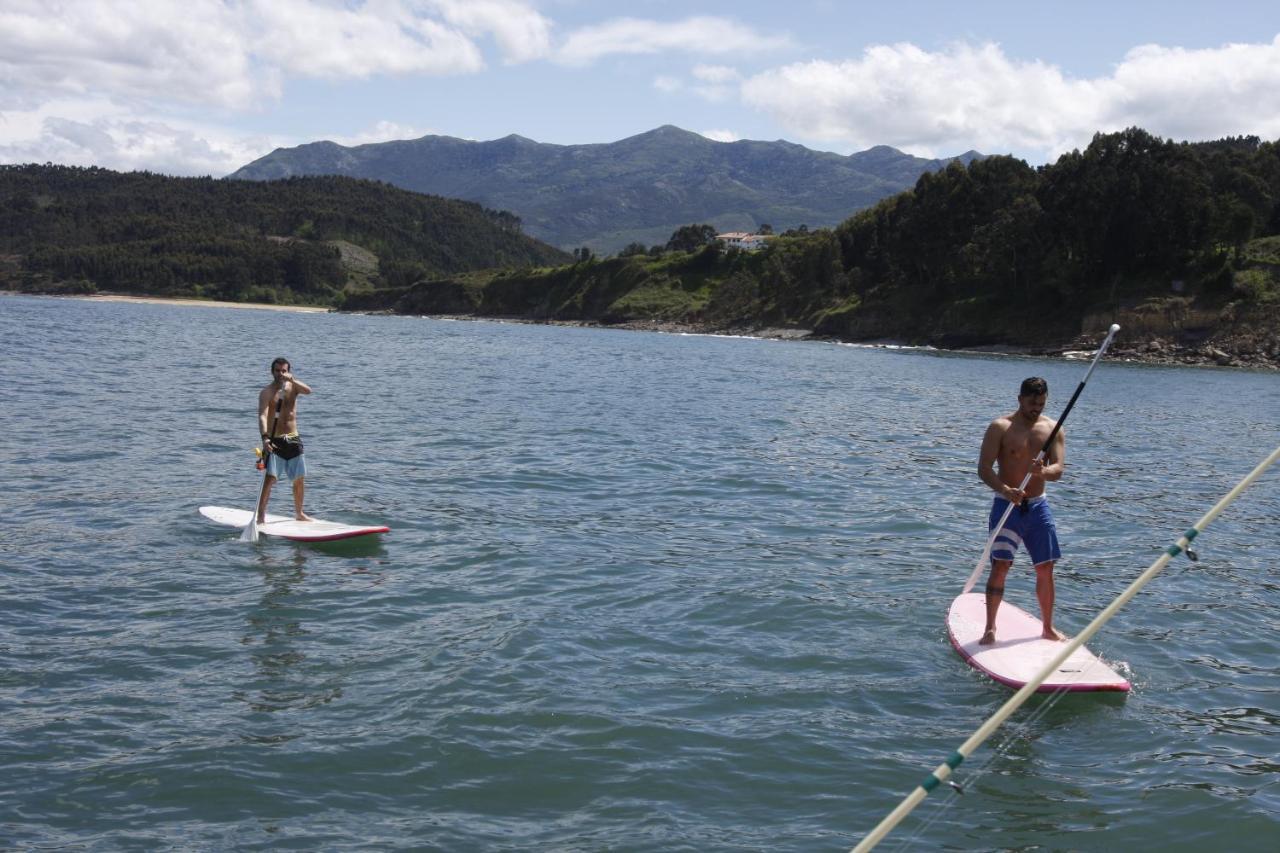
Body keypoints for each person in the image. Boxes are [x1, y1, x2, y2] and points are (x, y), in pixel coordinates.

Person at [976, 377, 1064, 645]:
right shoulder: (1000, 427)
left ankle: (1047, 628)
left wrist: (1044, 471)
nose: (1036, 408)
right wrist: (1005, 490)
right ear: (1020, 399)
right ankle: (990, 628)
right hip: (1007, 506)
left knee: (1046, 568)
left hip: (1038, 507)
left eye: (1041, 403)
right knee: (1001, 565)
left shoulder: (1052, 429)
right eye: (1031, 403)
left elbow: (1058, 470)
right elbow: (984, 468)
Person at [257, 357, 313, 523]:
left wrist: (293, 380)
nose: (280, 374)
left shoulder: (293, 387)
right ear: (272, 372)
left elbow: (309, 391)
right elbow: (262, 416)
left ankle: (299, 513)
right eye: (277, 370)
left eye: (284, 371)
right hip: (275, 440)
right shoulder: (266, 392)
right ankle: (261, 516)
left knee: (299, 478)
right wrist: (265, 438)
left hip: (294, 438)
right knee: (271, 479)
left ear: (288, 371)